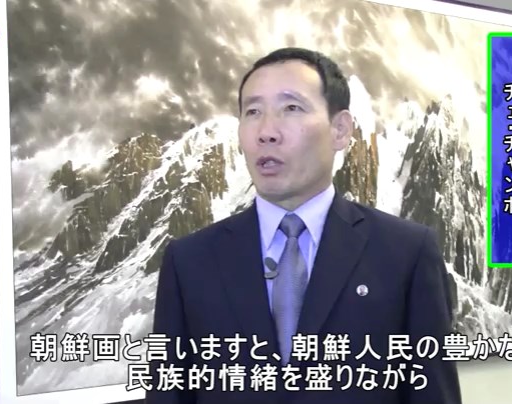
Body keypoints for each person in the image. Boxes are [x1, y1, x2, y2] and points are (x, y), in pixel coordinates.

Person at [146, 47, 462, 404]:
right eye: (253, 112)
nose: (266, 132)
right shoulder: (190, 261)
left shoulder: (406, 253)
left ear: (340, 130)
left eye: (291, 108)